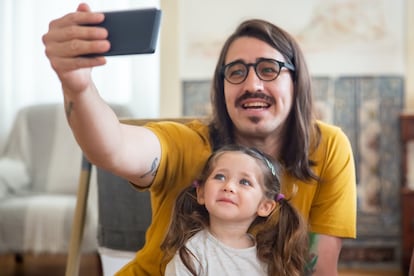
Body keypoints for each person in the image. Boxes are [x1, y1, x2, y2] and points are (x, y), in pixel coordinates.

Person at [42, 3, 357, 275]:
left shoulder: (327, 146)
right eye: (236, 72)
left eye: (268, 69)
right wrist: (78, 88)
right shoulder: (188, 142)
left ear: (296, 80)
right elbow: (113, 148)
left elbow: (320, 269)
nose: (253, 84)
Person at [161, 144, 309, 276]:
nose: (229, 187)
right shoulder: (192, 254)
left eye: (245, 182)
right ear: (201, 193)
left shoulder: (271, 258)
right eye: (220, 176)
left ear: (264, 206)